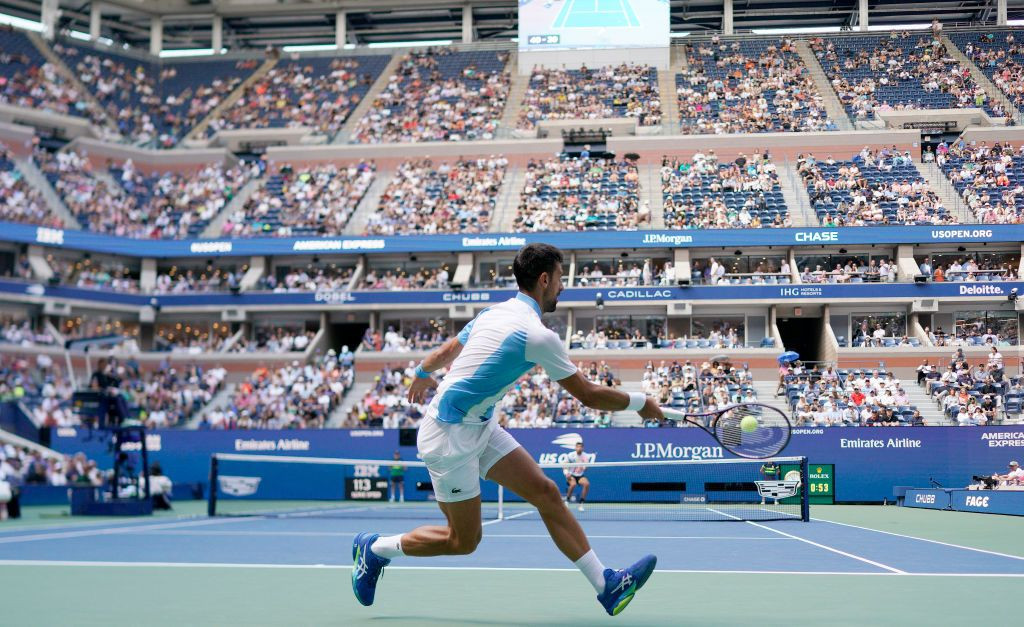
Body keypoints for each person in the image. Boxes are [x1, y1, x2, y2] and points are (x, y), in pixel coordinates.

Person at [351, 244, 661, 616]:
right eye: (561, 279)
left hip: (479, 424)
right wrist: (641, 403)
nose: (563, 287)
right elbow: (588, 395)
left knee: (546, 492)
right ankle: (376, 548)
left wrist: (421, 373)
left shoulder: (492, 313)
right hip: (448, 437)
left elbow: (449, 349)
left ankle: (606, 586)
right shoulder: (536, 334)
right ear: (545, 279)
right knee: (463, 541)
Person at [563, 440, 592, 512]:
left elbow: (586, 467)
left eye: (581, 447)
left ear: (583, 448)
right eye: (578, 447)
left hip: (580, 475)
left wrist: (584, 467)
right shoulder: (570, 455)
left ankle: (581, 504)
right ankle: (567, 501)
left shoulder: (585, 456)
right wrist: (566, 473)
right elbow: (564, 465)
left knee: (587, 484)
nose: (579, 448)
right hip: (571, 474)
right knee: (573, 484)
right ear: (575, 448)